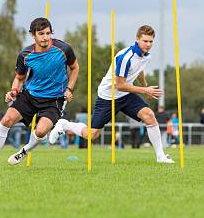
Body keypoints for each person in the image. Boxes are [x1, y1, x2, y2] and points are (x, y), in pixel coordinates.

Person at [49, 25, 173, 163]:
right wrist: (145, 90)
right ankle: (65, 125)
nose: (148, 44)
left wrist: (145, 86)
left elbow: (139, 71)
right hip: (108, 97)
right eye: (145, 41)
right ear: (137, 39)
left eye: (151, 41)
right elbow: (120, 85)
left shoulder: (146, 56)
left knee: (149, 115)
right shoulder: (125, 57)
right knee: (92, 135)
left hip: (126, 95)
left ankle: (160, 157)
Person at [0, 17, 79, 171]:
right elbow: (19, 78)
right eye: (41, 34)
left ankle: (25, 150)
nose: (45, 37)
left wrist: (69, 89)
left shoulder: (64, 49)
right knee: (6, 120)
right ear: (33, 35)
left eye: (48, 33)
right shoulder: (25, 55)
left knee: (41, 131)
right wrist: (13, 91)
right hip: (29, 96)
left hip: (54, 99)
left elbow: (75, 68)